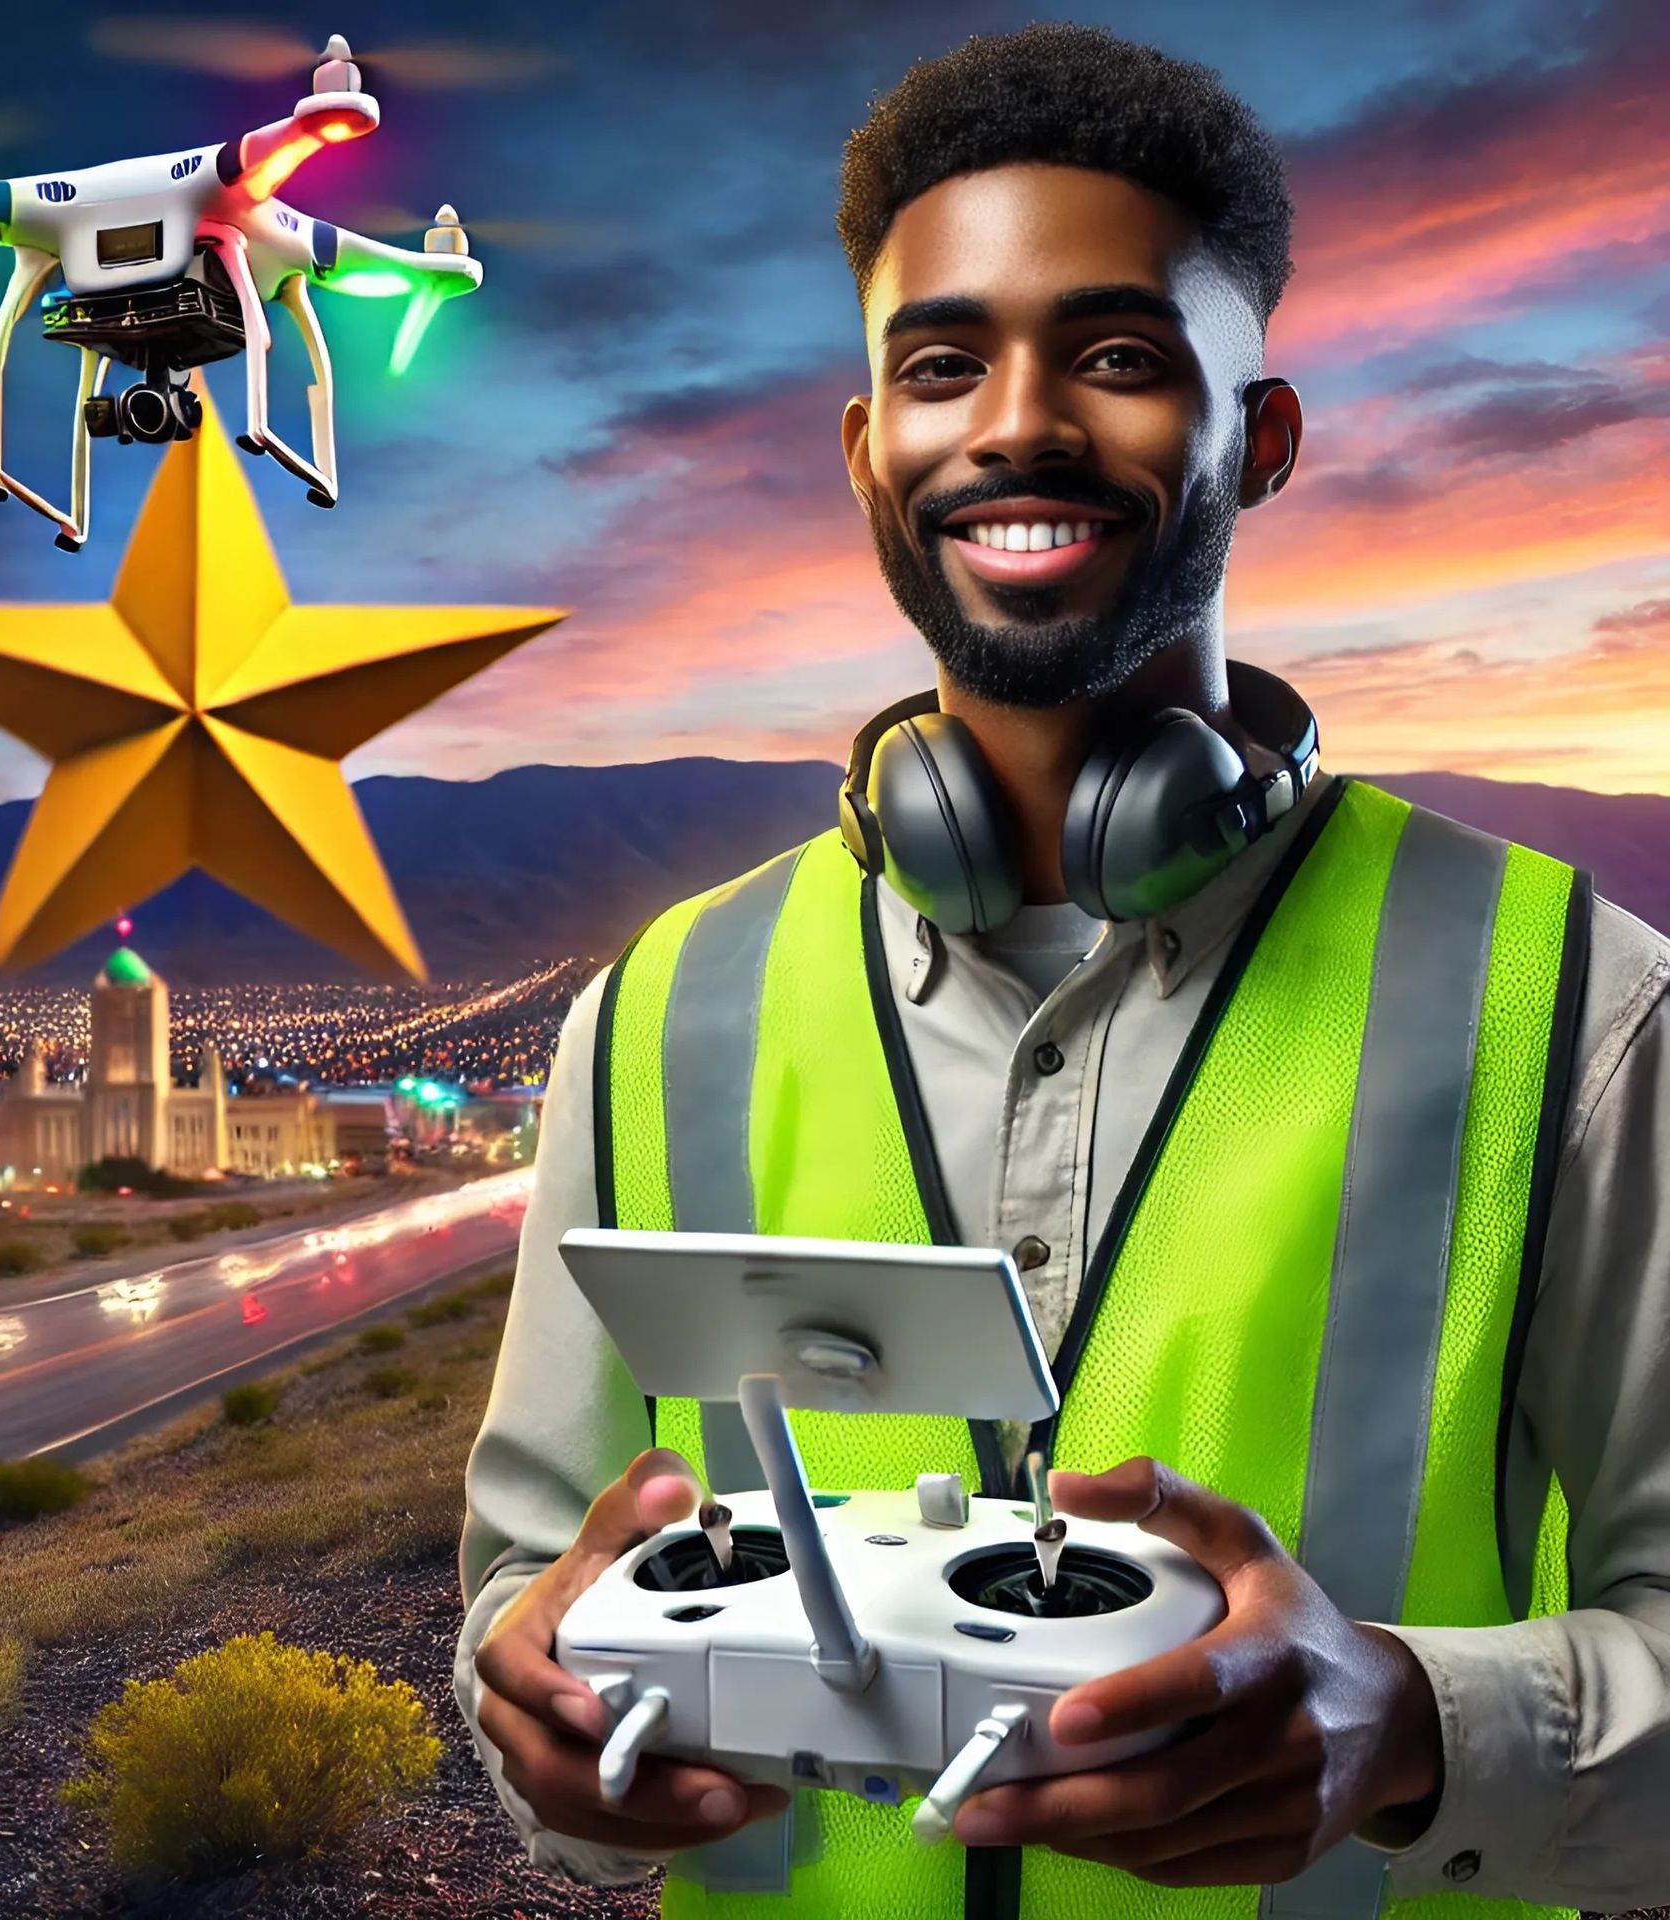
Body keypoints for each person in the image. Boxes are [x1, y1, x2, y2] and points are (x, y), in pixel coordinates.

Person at [454, 21, 1670, 1920]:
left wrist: (1419, 1723)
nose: (1014, 424)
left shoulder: (1574, 1005)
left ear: (1258, 437)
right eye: (943, 368)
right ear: (871, 453)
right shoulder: (653, 1016)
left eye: (1116, 356)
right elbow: (524, 1597)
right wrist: (531, 1720)